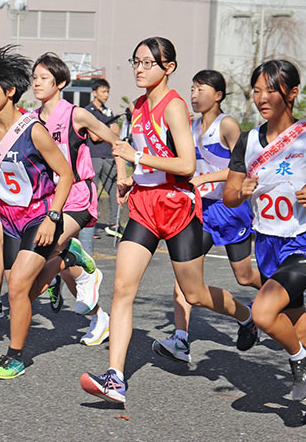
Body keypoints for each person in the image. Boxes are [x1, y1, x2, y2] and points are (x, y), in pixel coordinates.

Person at [80, 37, 254, 404]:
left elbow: (187, 166)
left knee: (194, 293)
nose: (139, 69)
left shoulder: (174, 107)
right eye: (136, 62)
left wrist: (138, 157)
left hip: (177, 207)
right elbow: (133, 155)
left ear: (168, 68)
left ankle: (244, 314)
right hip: (144, 207)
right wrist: (130, 177)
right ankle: (115, 378)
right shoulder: (139, 107)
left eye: (147, 63)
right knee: (122, 290)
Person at [222, 59, 306, 425]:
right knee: (296, 327)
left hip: (304, 245)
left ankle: (301, 362)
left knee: (264, 313)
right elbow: (230, 194)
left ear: (292, 93)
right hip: (267, 245)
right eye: (256, 91)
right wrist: (240, 191)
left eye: (270, 90)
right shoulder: (249, 140)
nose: (262, 98)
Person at [0, 46, 73, 379]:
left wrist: (53, 217)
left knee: (16, 288)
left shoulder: (34, 130)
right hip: (9, 219)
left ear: (10, 91)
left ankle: (15, 356)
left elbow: (66, 175)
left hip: (39, 216)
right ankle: (61, 261)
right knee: (23, 293)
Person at [153, 69, 259, 363]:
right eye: (192, 88)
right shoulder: (191, 124)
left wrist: (204, 179)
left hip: (231, 208)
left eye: (201, 89)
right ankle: (181, 339)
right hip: (201, 211)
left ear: (218, 95)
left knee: (245, 275)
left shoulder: (227, 125)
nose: (194, 94)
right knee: (183, 276)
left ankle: (277, 299)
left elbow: (242, 166)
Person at [30, 53, 126, 345]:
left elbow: (115, 141)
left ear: (60, 83)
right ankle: (100, 317)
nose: (36, 83)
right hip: (48, 198)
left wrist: (121, 175)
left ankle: (72, 261)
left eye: (43, 78)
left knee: (48, 250)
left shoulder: (76, 114)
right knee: (68, 271)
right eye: (34, 77)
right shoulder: (32, 119)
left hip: (78, 196)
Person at [84, 78, 121, 237]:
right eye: (103, 91)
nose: (106, 95)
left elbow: (117, 133)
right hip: (94, 156)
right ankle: (88, 227)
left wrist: (106, 131)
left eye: (108, 92)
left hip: (108, 156)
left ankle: (114, 224)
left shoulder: (108, 111)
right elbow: (94, 137)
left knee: (114, 191)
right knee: (91, 192)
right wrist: (109, 130)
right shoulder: (88, 111)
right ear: (95, 92)